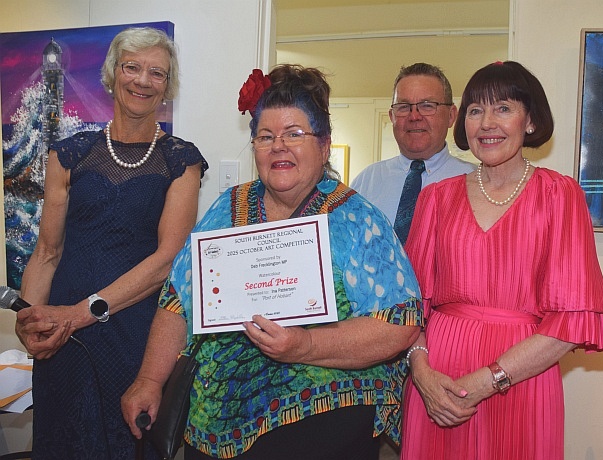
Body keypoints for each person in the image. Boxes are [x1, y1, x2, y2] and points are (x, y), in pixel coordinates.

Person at [121, 64, 424, 460]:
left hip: (323, 428)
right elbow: (179, 297)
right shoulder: (227, 209)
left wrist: (306, 345)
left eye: (294, 133)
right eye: (266, 136)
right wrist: (148, 379)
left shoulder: (356, 219)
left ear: (324, 146)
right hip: (216, 423)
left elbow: (399, 322)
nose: (278, 146)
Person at [400, 61, 603, 460]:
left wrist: (488, 381)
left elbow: (571, 323)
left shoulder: (560, 195)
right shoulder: (435, 198)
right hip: (438, 389)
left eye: (503, 108)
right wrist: (423, 375)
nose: (487, 123)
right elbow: (408, 309)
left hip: (521, 383)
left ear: (530, 120)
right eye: (475, 110)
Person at [14, 27, 208, 460]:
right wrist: (30, 319)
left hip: (135, 337)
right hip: (64, 342)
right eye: (132, 67)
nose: (142, 80)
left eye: (157, 73)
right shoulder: (69, 153)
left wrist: (79, 314)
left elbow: (168, 260)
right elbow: (46, 253)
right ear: (112, 74)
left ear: (167, 86)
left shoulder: (181, 160)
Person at [350, 63, 474, 243]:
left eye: (427, 106)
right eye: (403, 107)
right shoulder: (365, 183)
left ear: (451, 115)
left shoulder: (474, 181)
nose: (414, 116)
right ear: (392, 116)